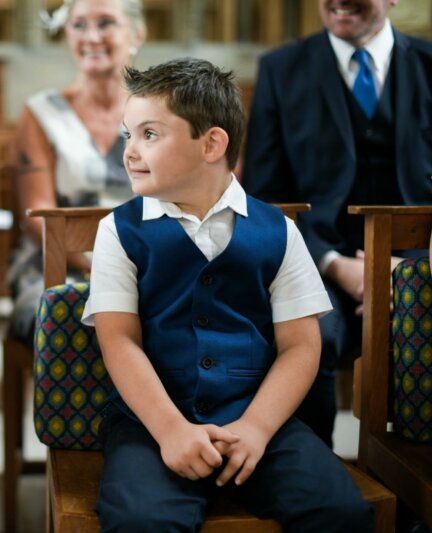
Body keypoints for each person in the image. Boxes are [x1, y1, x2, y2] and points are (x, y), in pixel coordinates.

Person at [82, 58, 373, 532]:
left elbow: (301, 345)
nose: (130, 152)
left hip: (260, 417)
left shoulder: (279, 230)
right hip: (152, 423)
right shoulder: (117, 230)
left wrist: (257, 427)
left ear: (212, 143)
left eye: (149, 134)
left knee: (339, 512)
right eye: (126, 135)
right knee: (142, 521)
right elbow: (119, 342)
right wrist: (171, 430)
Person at [243, 0, 432, 447]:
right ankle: (313, 477)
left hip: (418, 263)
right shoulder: (280, 69)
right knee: (310, 335)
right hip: (312, 263)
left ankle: (418, 499)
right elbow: (265, 198)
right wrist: (332, 264)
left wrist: (412, 273)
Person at [8, 0, 145, 342]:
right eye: (79, 25)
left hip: (148, 260)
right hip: (57, 263)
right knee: (66, 315)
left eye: (105, 23)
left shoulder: (160, 110)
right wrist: (101, 265)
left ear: (137, 34)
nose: (91, 36)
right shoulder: (41, 113)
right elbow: (37, 215)